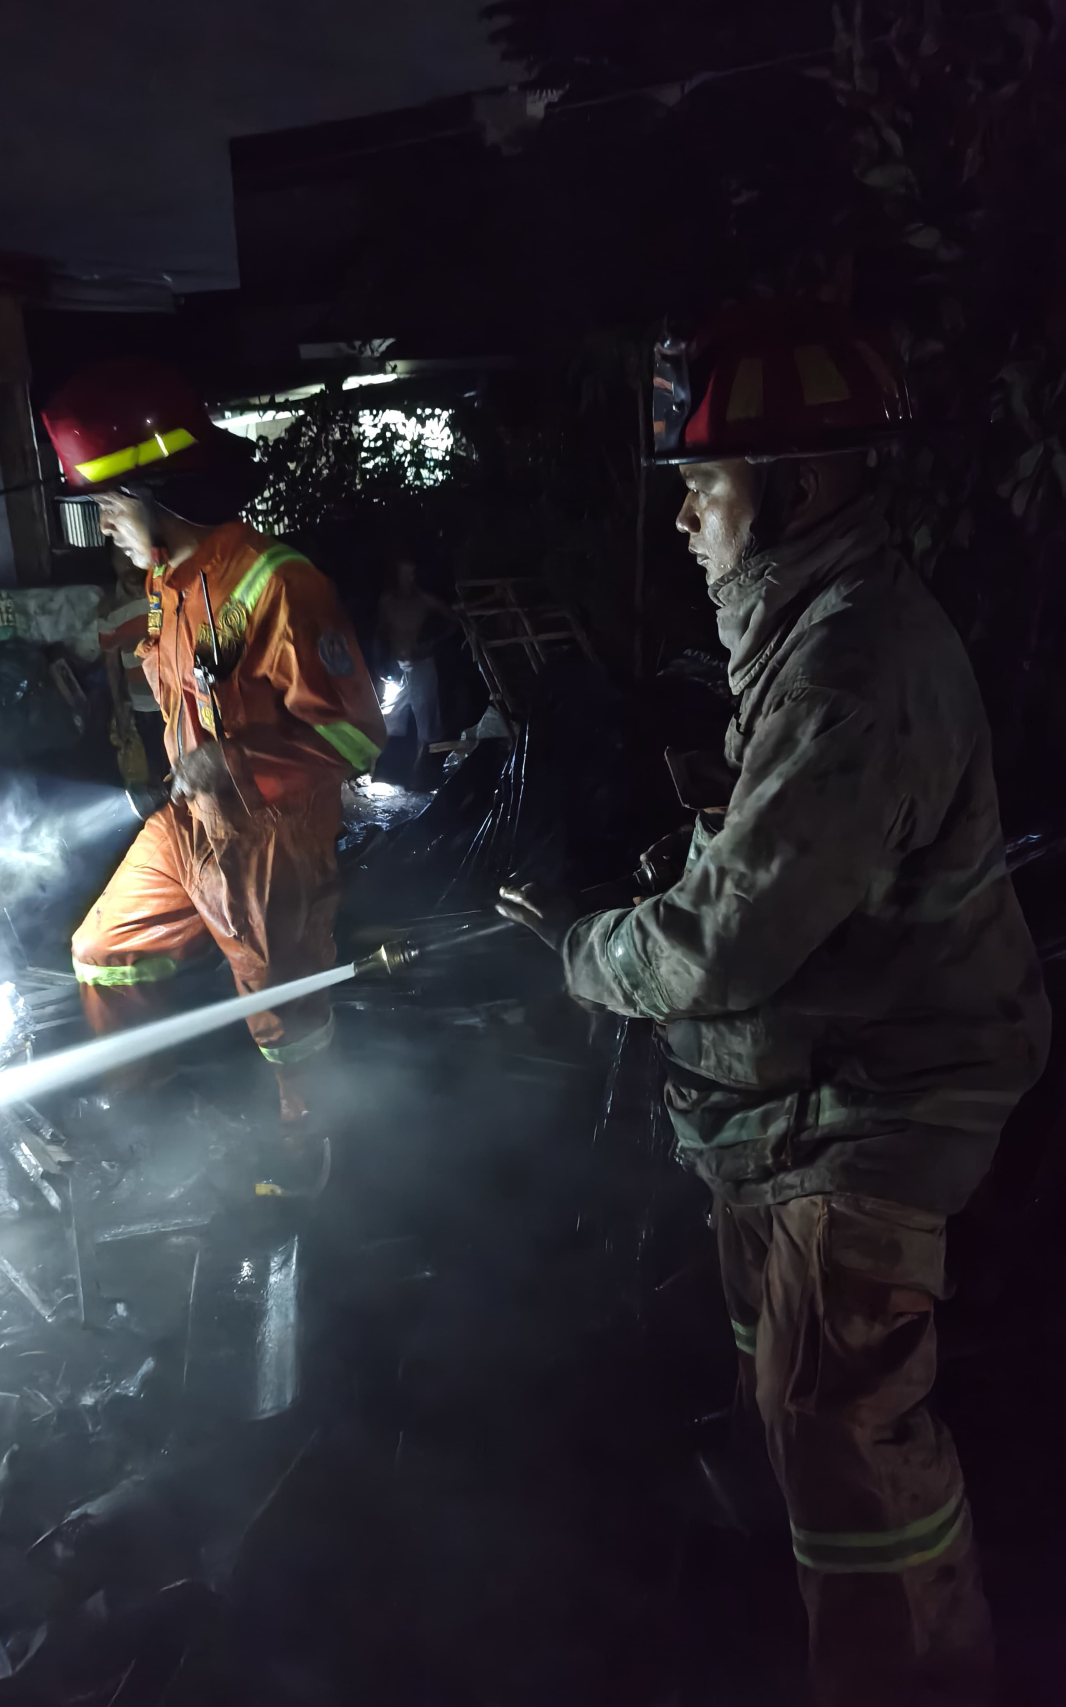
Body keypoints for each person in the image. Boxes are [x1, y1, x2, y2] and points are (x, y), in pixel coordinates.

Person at [499, 300, 1049, 1706]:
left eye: (704, 487)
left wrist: (584, 947)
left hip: (871, 1102)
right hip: (801, 1090)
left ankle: (917, 1673)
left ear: (796, 487)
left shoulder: (852, 667)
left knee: (848, 1429)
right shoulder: (810, 627)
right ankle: (830, 1609)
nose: (686, 520)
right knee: (792, 1394)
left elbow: (734, 937)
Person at [42, 358, 385, 1195]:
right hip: (193, 822)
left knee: (280, 1011)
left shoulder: (280, 585)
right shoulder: (167, 581)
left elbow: (356, 736)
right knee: (103, 948)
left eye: (108, 509)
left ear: (157, 494)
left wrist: (231, 761)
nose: (106, 530)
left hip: (272, 836)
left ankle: (312, 1149)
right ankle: (139, 1112)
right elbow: (180, 670)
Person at [375, 555, 457, 774]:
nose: (408, 578)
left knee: (425, 719)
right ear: (396, 575)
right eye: (404, 573)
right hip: (397, 668)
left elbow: (453, 619)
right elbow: (381, 633)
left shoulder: (424, 600)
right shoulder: (388, 601)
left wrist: (433, 643)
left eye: (411, 574)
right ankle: (379, 767)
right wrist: (382, 663)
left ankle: (418, 772)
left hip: (421, 664)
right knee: (388, 715)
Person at [97, 544, 167, 789]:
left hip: (174, 697)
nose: (128, 565)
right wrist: (119, 705)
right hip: (141, 703)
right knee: (155, 765)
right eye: (121, 559)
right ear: (112, 563)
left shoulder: (162, 591)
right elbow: (112, 665)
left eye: (131, 556)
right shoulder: (109, 610)